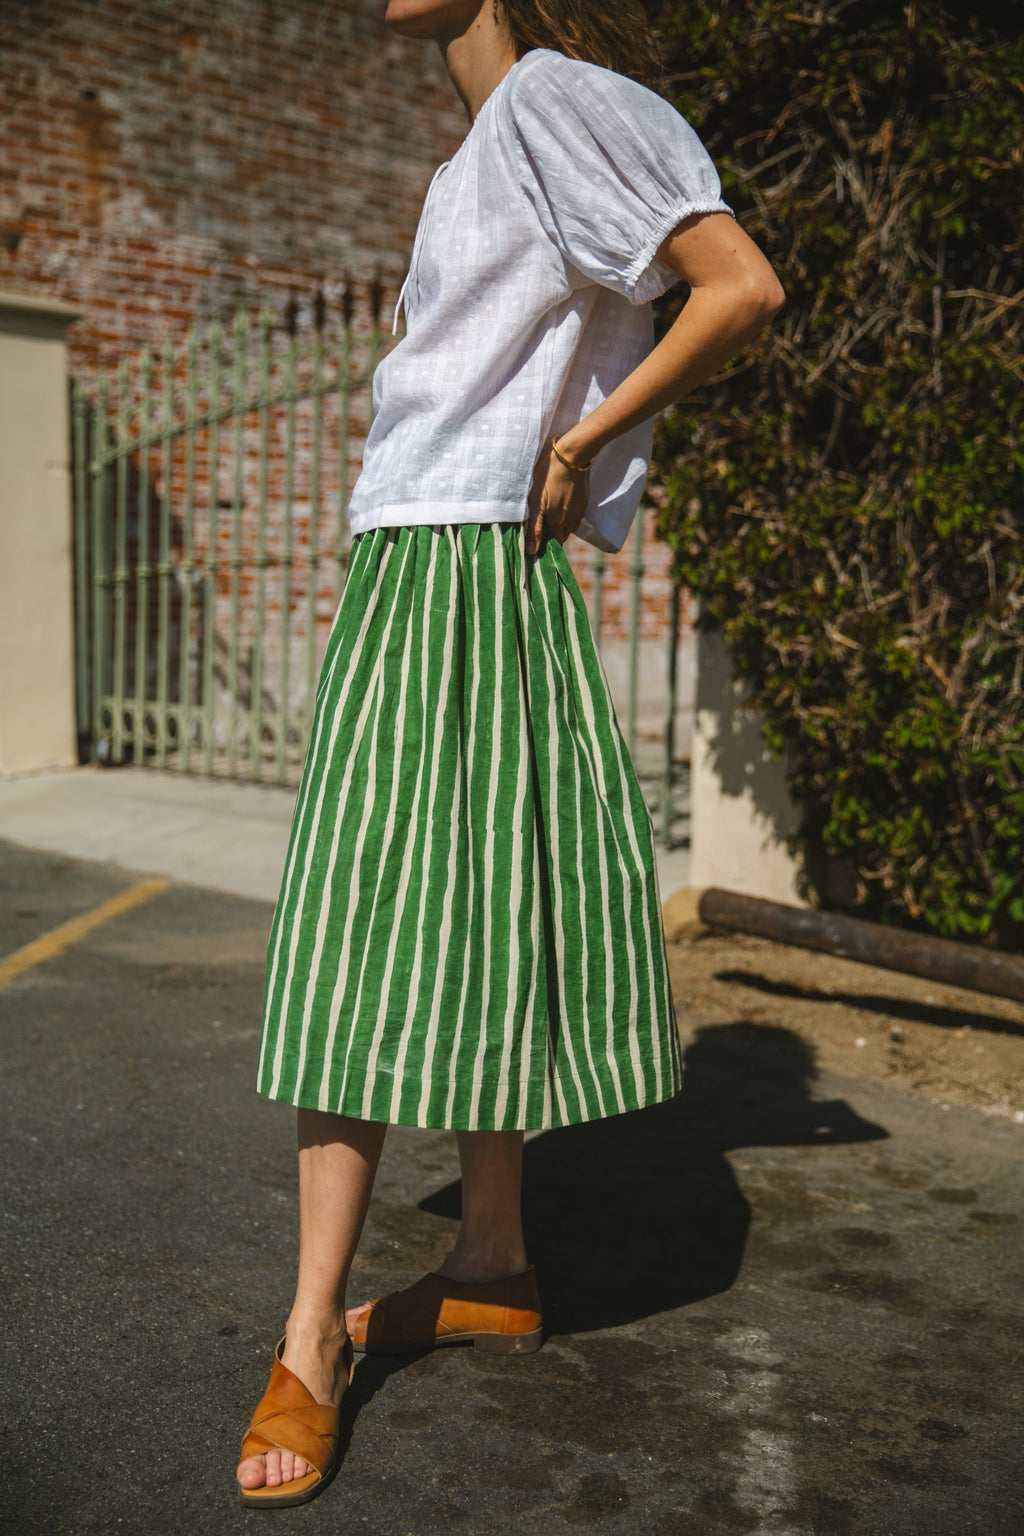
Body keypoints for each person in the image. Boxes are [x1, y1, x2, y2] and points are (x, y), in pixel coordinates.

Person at [236, 0, 784, 1508]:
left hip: (457, 568)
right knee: (476, 921)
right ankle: (492, 1261)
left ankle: (309, 1338)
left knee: (354, 933)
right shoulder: (490, 140)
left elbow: (738, 286)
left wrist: (582, 444)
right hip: (441, 563)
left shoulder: (551, 101)